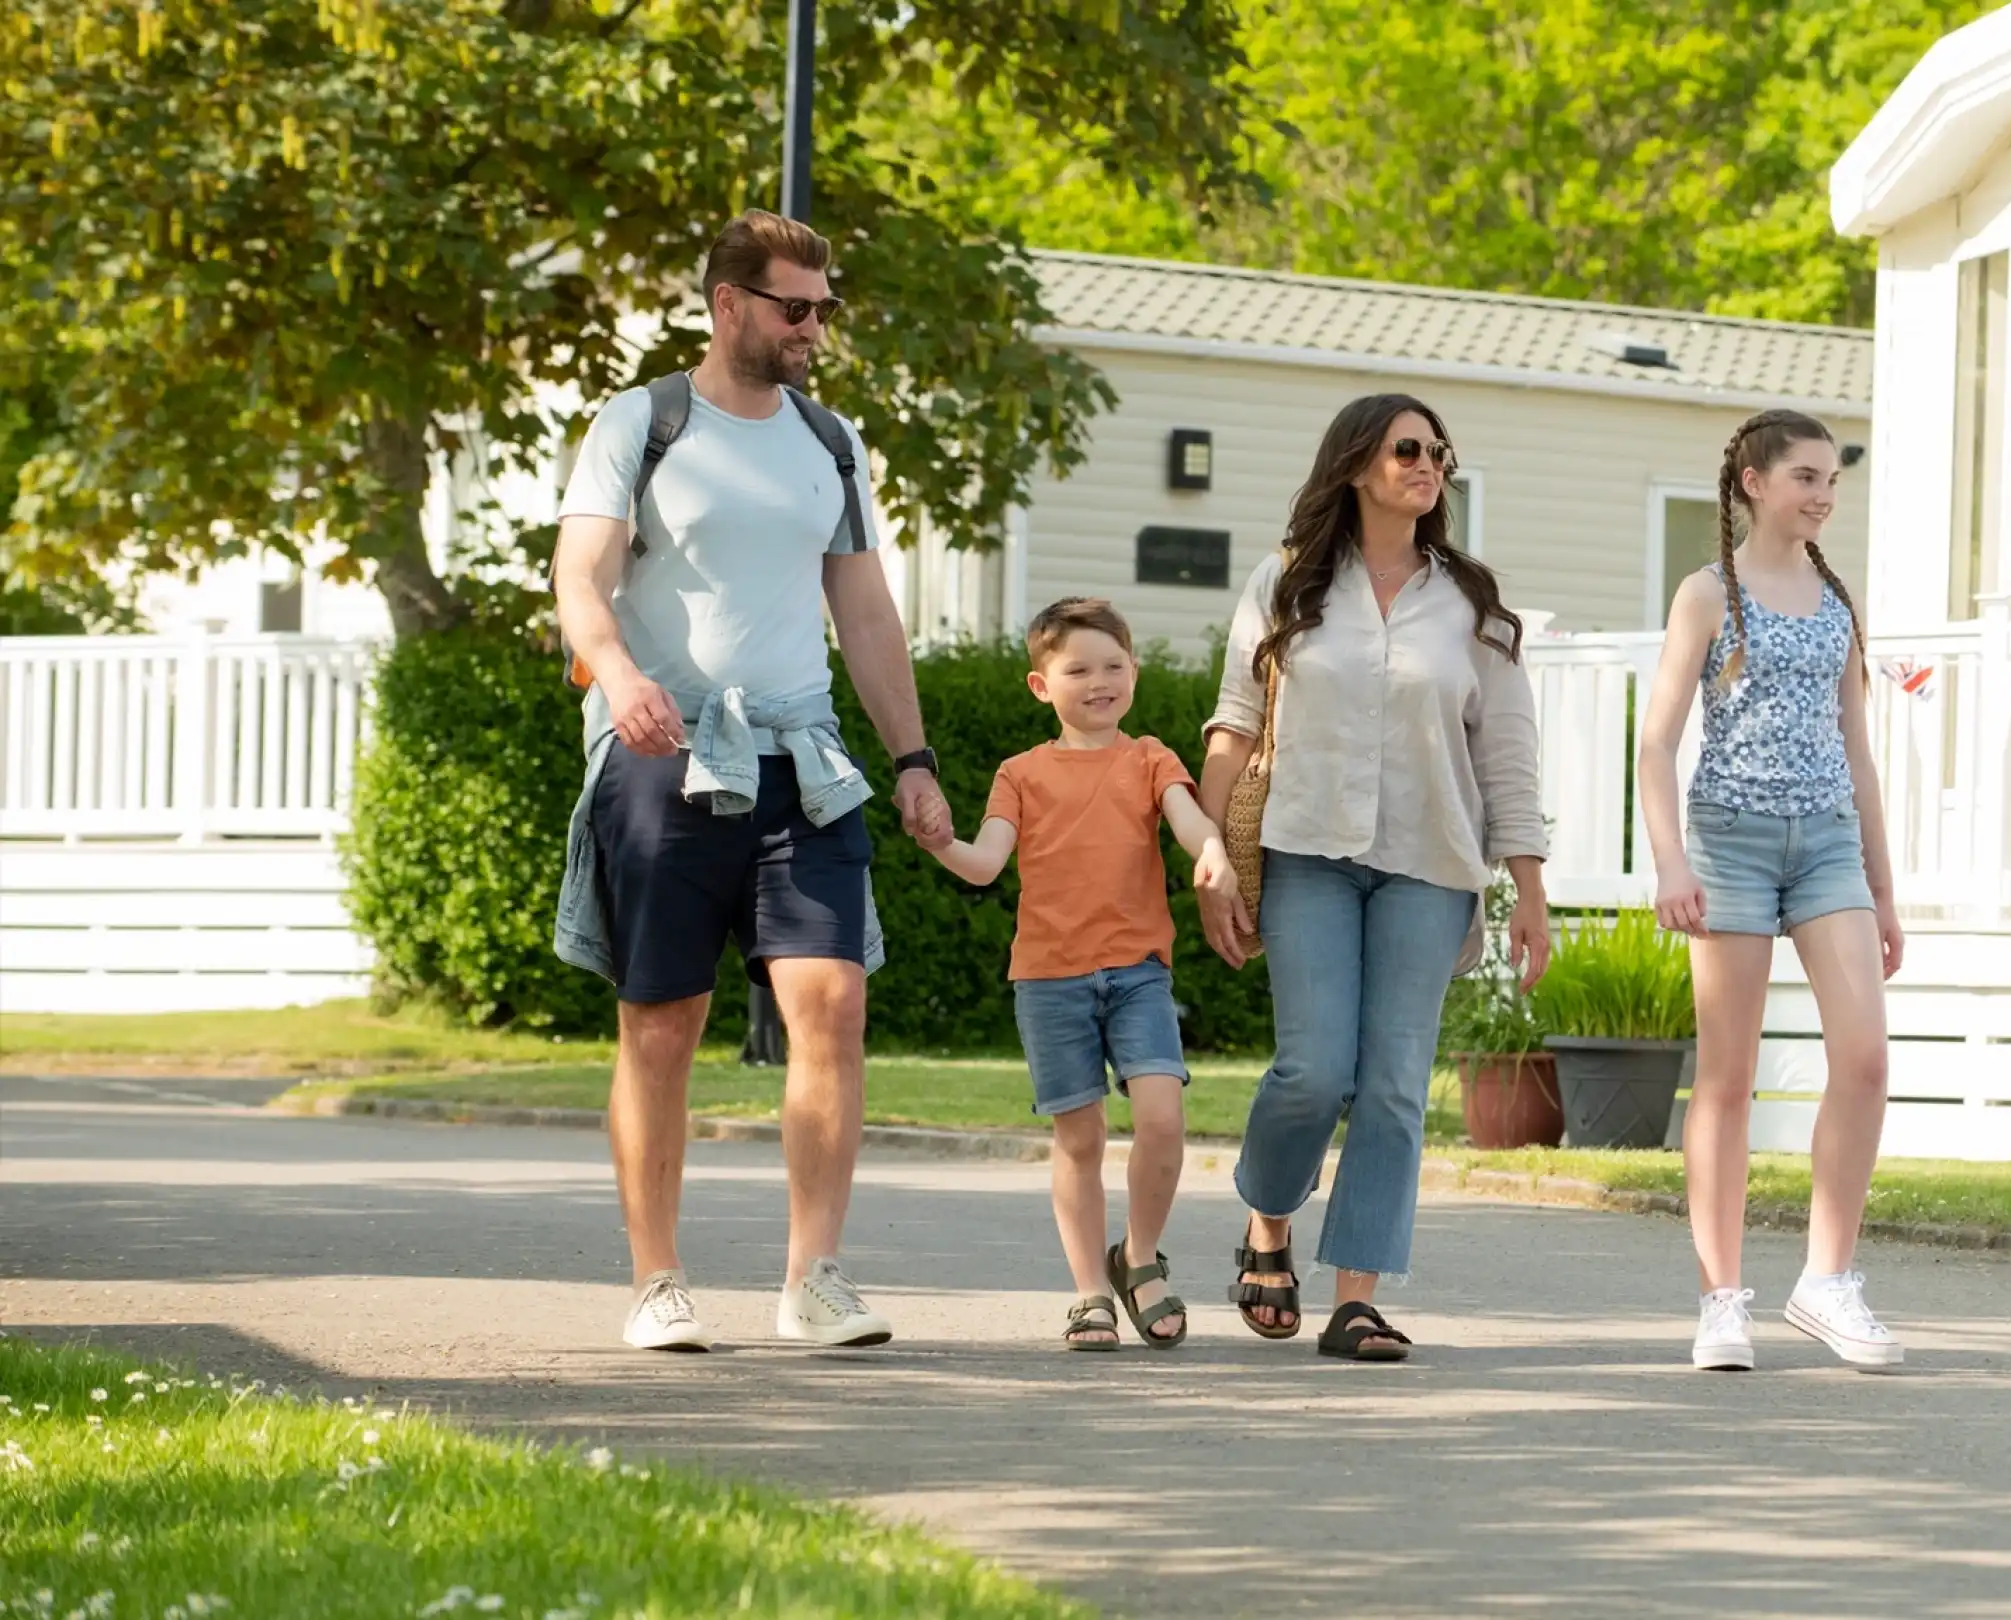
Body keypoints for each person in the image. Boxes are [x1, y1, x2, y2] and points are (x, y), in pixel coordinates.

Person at [551, 209, 952, 1353]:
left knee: (832, 1001)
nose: (814, 326)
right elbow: (581, 571)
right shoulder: (644, 422)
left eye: (824, 307)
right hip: (663, 758)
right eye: (794, 306)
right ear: (729, 305)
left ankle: (813, 1278)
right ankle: (657, 1281)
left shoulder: (833, 442)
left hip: (803, 760)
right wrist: (619, 674)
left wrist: (913, 759)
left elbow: (865, 611)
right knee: (663, 1021)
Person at [1195, 394, 1550, 1363]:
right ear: (1356, 464)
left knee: (1393, 1086)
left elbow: (1508, 756)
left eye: (1438, 452)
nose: (1427, 464)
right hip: (1309, 852)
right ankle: (1268, 1221)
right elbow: (1234, 720)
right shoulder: (1286, 582)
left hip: (1431, 867)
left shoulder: (1471, 603)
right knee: (1313, 1072)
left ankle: (1356, 1298)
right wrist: (1211, 852)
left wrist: (1529, 890)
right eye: (1407, 449)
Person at [1635, 408, 1906, 1372]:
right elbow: (1657, 742)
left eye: (1831, 479)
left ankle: (1827, 1283)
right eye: (1804, 476)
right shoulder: (1709, 594)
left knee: (1866, 1057)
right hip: (1730, 845)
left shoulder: (1838, 601)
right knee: (1728, 1078)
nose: (1823, 494)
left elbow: (1859, 752)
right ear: (1754, 482)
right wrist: (1671, 861)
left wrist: (1882, 884)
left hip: (1828, 845)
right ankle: (1721, 1300)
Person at [926, 597, 1236, 1350]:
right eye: (1078, 669)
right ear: (1042, 686)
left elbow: (1187, 816)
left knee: (1162, 1118)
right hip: (1048, 978)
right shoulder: (1020, 774)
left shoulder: (1151, 756)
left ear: (1134, 672)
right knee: (1080, 1139)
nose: (1099, 681)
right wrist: (941, 841)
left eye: (1114, 666)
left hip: (1137, 974)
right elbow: (985, 862)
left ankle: (1138, 1258)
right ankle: (1090, 1293)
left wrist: (1212, 848)